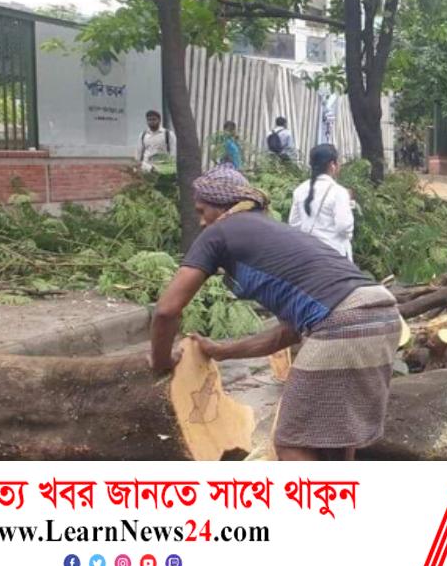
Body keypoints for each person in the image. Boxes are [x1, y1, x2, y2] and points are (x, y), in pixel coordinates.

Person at [149, 166, 402, 461]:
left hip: (341, 321)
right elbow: (287, 332)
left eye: (202, 210)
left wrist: (161, 360)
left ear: (222, 207)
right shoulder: (272, 231)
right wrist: (221, 351)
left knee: (291, 442)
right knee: (335, 436)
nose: (201, 221)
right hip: (383, 314)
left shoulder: (219, 232)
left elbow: (167, 310)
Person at [289, 144, 355, 259]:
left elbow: (294, 223)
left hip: (308, 255)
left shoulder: (300, 190)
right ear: (332, 165)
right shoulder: (339, 192)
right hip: (334, 255)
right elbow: (344, 226)